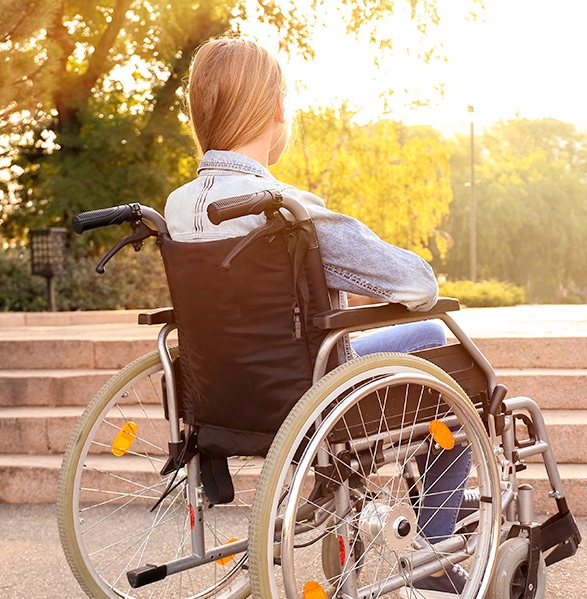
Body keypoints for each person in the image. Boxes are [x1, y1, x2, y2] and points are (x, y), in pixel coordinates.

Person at [164, 37, 469, 595]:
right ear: (277, 110)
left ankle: (342, 493)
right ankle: (435, 545)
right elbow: (416, 282)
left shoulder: (176, 208)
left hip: (221, 397)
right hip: (310, 394)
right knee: (450, 359)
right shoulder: (284, 209)